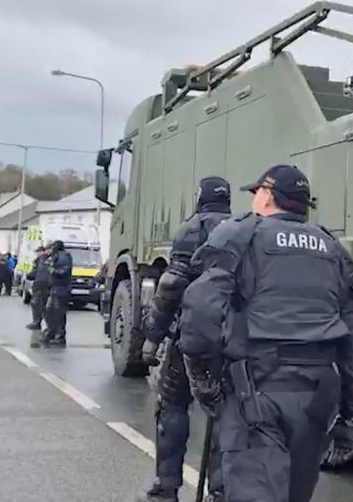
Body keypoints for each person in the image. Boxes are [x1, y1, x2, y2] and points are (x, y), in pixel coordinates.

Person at [179, 165, 353, 502]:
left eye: (256, 193)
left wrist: (202, 378)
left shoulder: (241, 235)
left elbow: (200, 310)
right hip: (317, 397)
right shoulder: (332, 248)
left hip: (257, 393)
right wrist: (349, 414)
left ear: (266, 196)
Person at [136, 177, 232, 502]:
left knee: (172, 404)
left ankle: (166, 486)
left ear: (200, 198)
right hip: (233, 340)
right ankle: (220, 491)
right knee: (226, 414)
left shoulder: (193, 229)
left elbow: (172, 286)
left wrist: (152, 335)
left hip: (190, 336)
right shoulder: (245, 230)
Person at [41, 240, 72, 346]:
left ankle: (59, 334)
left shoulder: (63, 257)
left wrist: (52, 270)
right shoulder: (57, 256)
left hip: (61, 287)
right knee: (50, 310)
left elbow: (63, 271)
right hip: (56, 287)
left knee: (58, 311)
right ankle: (52, 331)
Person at [25, 246, 51, 330]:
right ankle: (44, 324)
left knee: (37, 304)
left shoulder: (40, 260)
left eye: (39, 252)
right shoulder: (49, 259)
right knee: (42, 305)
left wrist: (29, 275)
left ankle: (37, 322)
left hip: (40, 285)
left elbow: (36, 272)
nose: (38, 253)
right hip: (45, 285)